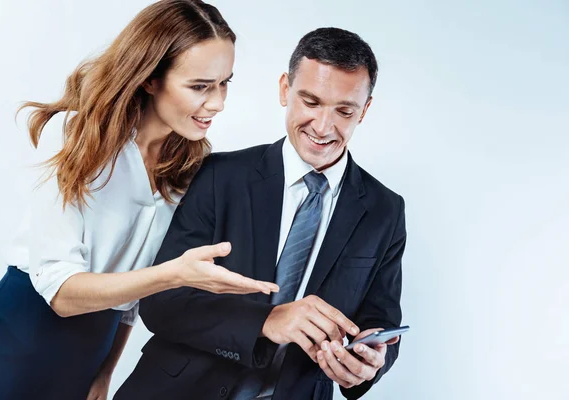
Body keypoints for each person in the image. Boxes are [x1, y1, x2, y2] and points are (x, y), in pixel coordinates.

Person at [0, 1, 279, 399]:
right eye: (200, 86)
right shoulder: (75, 135)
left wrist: (105, 370)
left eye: (224, 83)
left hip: (88, 354)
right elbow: (61, 293)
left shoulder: (188, 164)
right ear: (150, 78)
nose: (218, 103)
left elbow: (129, 301)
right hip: (14, 342)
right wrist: (175, 274)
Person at [116, 27, 406, 400]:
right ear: (285, 89)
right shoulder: (219, 175)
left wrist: (370, 363)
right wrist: (266, 322)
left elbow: (380, 321)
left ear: (364, 110)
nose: (323, 126)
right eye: (311, 102)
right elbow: (161, 302)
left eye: (344, 110)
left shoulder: (386, 210)